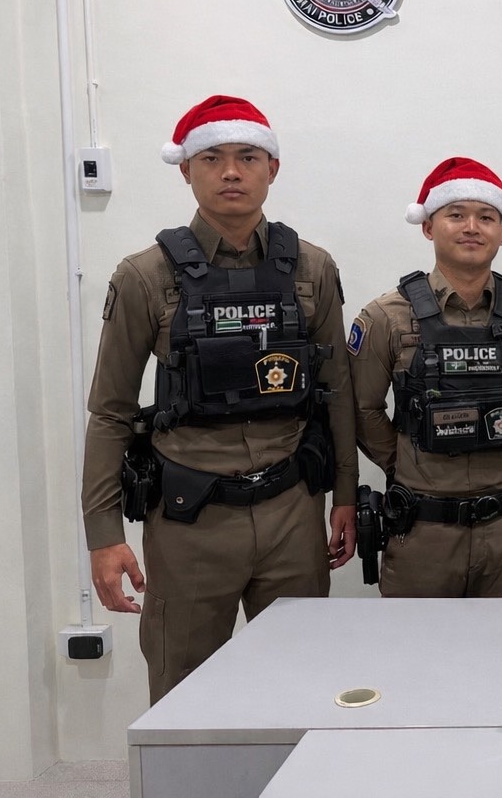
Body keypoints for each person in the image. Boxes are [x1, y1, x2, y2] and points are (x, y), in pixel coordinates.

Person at [81, 96, 356, 702]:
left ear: (272, 168)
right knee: (184, 695)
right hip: (190, 519)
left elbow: (335, 391)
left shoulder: (312, 267)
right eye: (212, 158)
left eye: (248, 157)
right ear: (186, 169)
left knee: (304, 685)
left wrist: (344, 496)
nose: (231, 171)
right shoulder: (145, 275)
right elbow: (110, 412)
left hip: (292, 512)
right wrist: (103, 533)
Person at [349, 157, 502, 597]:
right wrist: (406, 462)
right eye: (456, 215)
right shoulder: (386, 316)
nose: (472, 228)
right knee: (416, 642)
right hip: (423, 532)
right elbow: (363, 410)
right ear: (428, 227)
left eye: (486, 217)